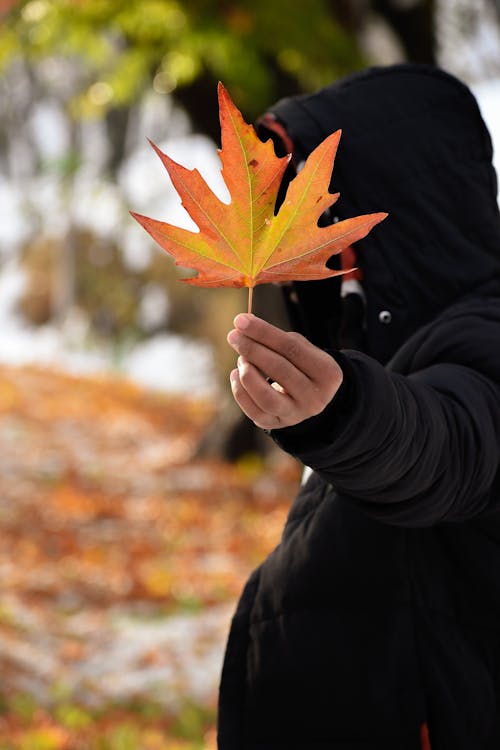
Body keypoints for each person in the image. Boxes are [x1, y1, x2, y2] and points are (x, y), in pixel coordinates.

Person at [217, 63, 500, 750]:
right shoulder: (370, 340)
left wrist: (345, 417)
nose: (295, 238)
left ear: (397, 209)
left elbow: (444, 444)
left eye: (326, 223)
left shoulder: (485, 333)